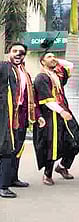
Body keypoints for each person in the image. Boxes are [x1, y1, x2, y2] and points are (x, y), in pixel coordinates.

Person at [33, 52, 79, 185]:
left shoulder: (57, 75)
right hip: (50, 115)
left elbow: (70, 65)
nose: (53, 58)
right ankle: (47, 174)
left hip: (64, 112)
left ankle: (63, 166)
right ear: (42, 62)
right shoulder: (41, 77)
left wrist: (54, 60)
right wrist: (60, 111)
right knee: (52, 145)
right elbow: (46, 100)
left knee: (77, 140)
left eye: (54, 56)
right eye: (49, 57)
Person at [0, 43, 41, 198]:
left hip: (21, 117)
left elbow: (29, 96)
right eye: (14, 51)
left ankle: (12, 178)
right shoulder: (4, 67)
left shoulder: (25, 73)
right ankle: (2, 186)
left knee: (17, 149)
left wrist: (37, 116)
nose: (18, 54)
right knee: (6, 149)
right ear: (8, 53)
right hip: (6, 115)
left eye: (22, 52)